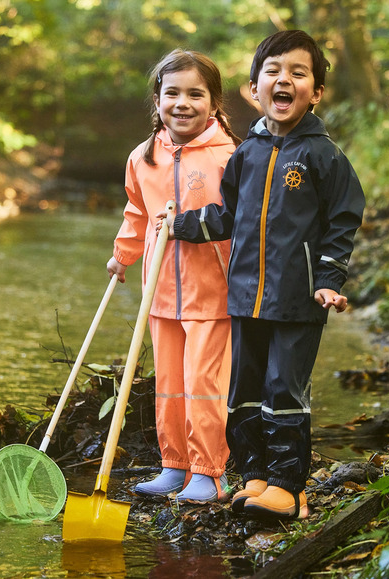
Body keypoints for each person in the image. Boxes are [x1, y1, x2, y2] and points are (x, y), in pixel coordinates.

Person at [159, 30, 365, 519]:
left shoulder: (323, 155)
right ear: (254, 89)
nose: (283, 80)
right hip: (245, 296)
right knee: (245, 391)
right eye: (273, 71)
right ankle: (253, 477)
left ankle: (290, 489)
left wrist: (330, 279)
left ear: (315, 93)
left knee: (284, 390)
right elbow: (228, 216)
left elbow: (344, 217)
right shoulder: (246, 154)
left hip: (298, 299)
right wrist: (181, 225)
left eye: (297, 73)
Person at [107, 49, 242, 502]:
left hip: (212, 290)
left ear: (214, 102)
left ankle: (209, 471)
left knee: (204, 384)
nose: (182, 103)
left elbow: (240, 218)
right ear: (157, 100)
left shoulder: (230, 156)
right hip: (160, 291)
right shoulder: (144, 157)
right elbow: (136, 213)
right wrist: (122, 256)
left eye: (195, 94)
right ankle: (174, 464)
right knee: (170, 383)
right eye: (172, 93)